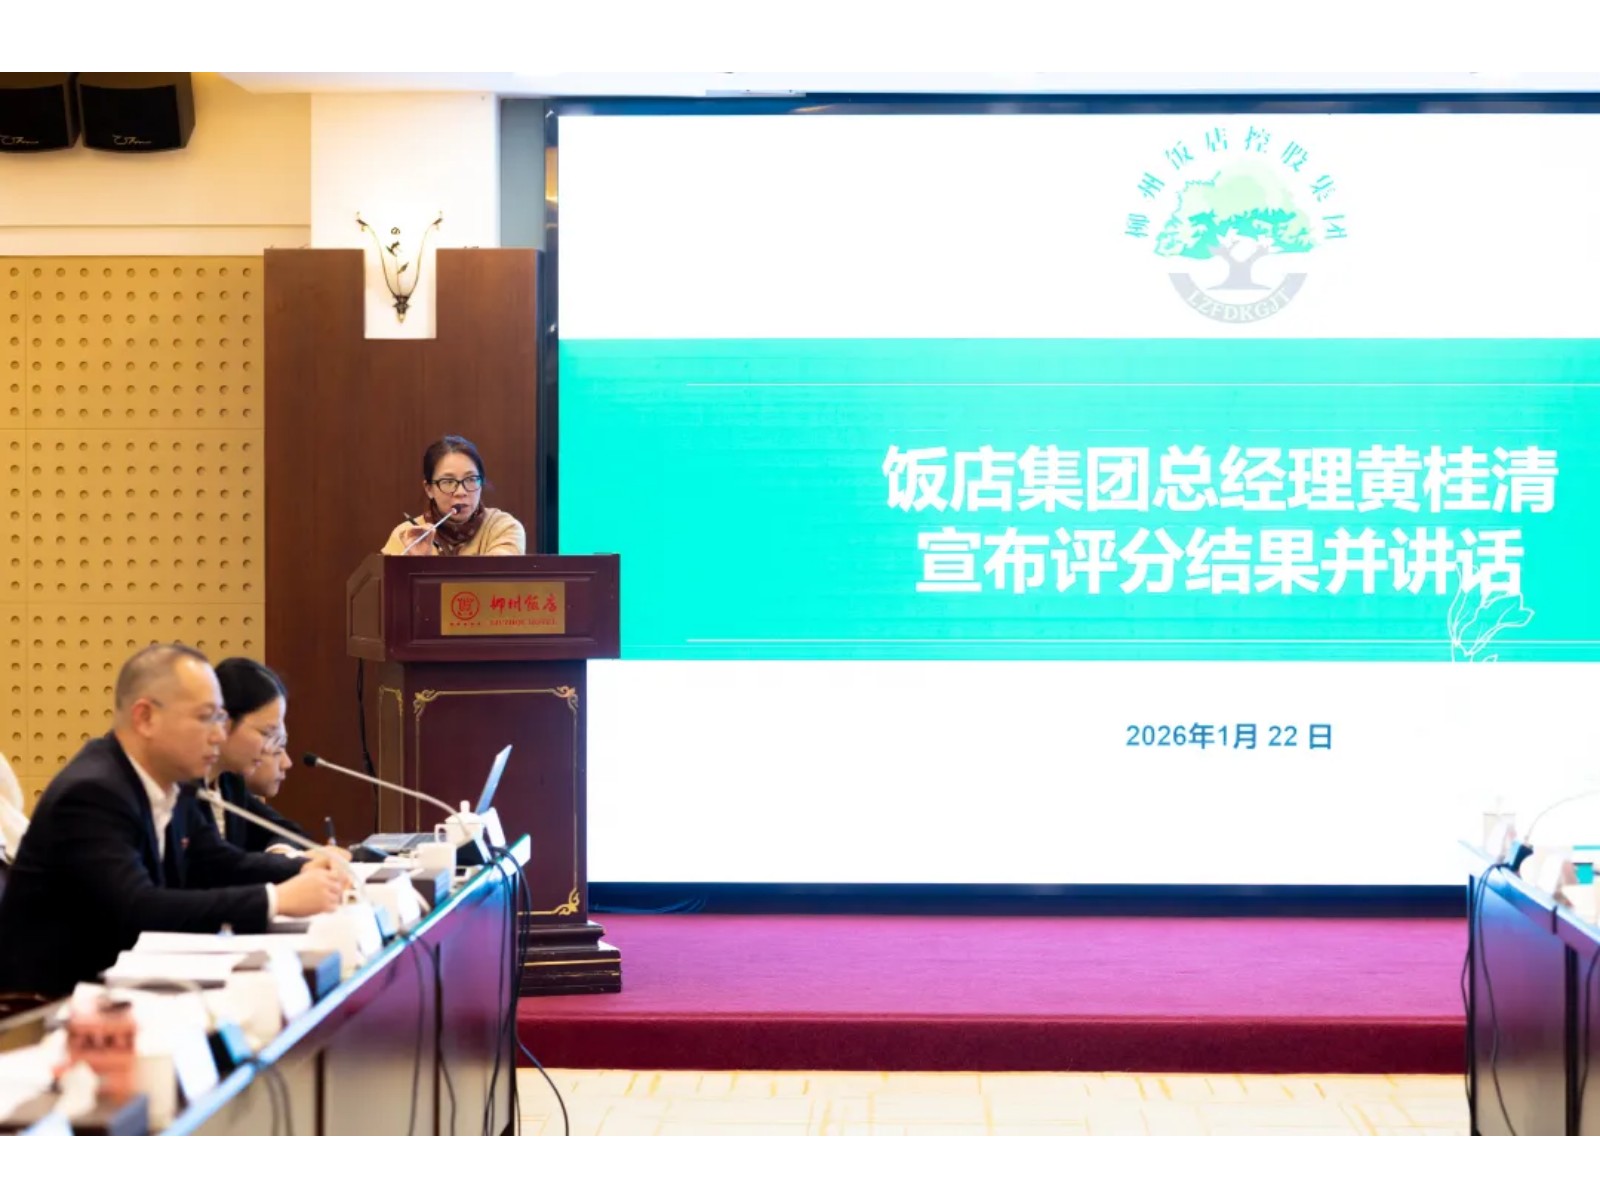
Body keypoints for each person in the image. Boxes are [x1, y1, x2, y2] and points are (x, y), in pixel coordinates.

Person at [0, 645, 347, 998]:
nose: (219, 735)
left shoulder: (176, 782)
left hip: (132, 985)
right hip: (52, 1005)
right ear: (146, 718)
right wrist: (275, 899)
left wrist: (302, 868)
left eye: (221, 718)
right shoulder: (93, 792)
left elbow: (216, 863)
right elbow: (138, 910)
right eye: (205, 718)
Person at [196, 658, 338, 858]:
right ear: (224, 722)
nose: (268, 748)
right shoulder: (180, 787)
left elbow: (287, 832)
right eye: (266, 733)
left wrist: (281, 855)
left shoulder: (230, 782)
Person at [380, 434, 525, 557]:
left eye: (471, 479)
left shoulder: (503, 527)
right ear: (429, 489)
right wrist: (417, 563)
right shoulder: (407, 536)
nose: (461, 492)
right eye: (448, 482)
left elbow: (494, 577)